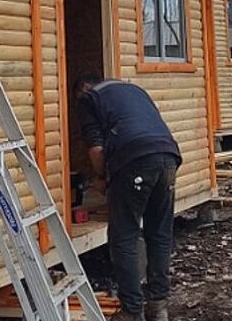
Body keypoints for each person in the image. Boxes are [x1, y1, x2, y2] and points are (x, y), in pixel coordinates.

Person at [74, 74, 182, 321]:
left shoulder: (88, 98)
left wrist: (101, 178)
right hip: (168, 155)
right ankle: (158, 307)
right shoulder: (134, 90)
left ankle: (132, 311)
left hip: (135, 159)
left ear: (82, 86)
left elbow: (97, 149)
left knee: (124, 236)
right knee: (159, 233)